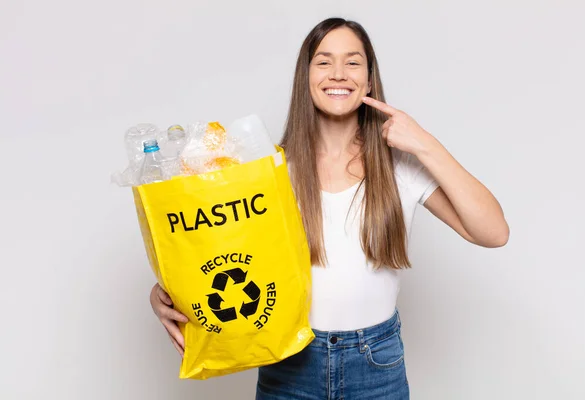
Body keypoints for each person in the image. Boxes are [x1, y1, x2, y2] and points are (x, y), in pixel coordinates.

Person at [149, 17, 509, 399]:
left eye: (353, 62)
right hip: (289, 365)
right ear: (305, 78)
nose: (339, 73)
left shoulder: (400, 165)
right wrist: (166, 294)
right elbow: (220, 254)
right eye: (324, 62)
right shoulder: (270, 172)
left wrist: (425, 144)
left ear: (369, 80)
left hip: (377, 366)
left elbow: (493, 232)